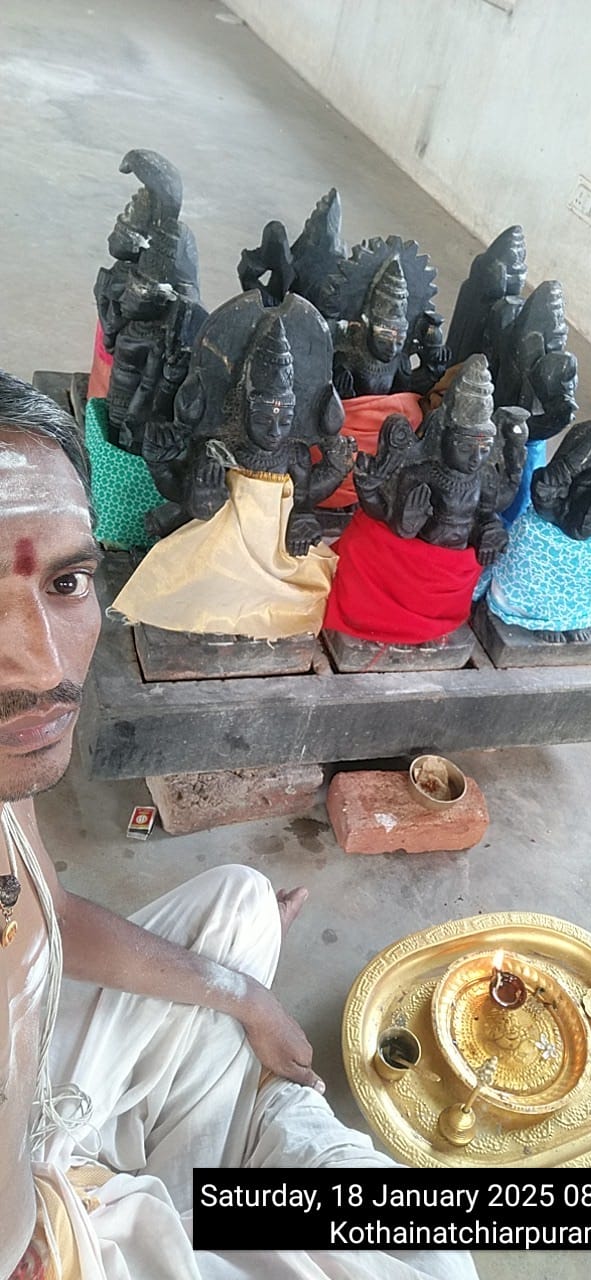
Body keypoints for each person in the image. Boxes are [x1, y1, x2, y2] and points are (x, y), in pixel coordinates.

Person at [0, 371, 476, 1280]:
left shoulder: (4, 769)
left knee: (240, 907)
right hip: (34, 1243)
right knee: (436, 1266)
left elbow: (45, 909)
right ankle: (228, 1171)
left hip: (40, 1098)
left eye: (65, 582)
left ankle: (220, 1163)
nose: (45, 665)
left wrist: (246, 995)